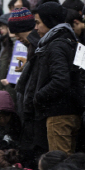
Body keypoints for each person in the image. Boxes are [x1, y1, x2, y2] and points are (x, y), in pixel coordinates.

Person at [32, 2, 82, 154]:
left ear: (50, 21)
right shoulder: (72, 41)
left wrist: (38, 96)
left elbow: (60, 80)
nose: (36, 28)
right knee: (70, 164)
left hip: (59, 114)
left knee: (59, 165)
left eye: (38, 23)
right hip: (74, 111)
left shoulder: (55, 45)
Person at [8, 7, 44, 169]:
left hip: (35, 116)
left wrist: (31, 103)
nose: (17, 39)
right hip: (30, 115)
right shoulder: (32, 46)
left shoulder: (39, 47)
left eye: (18, 34)